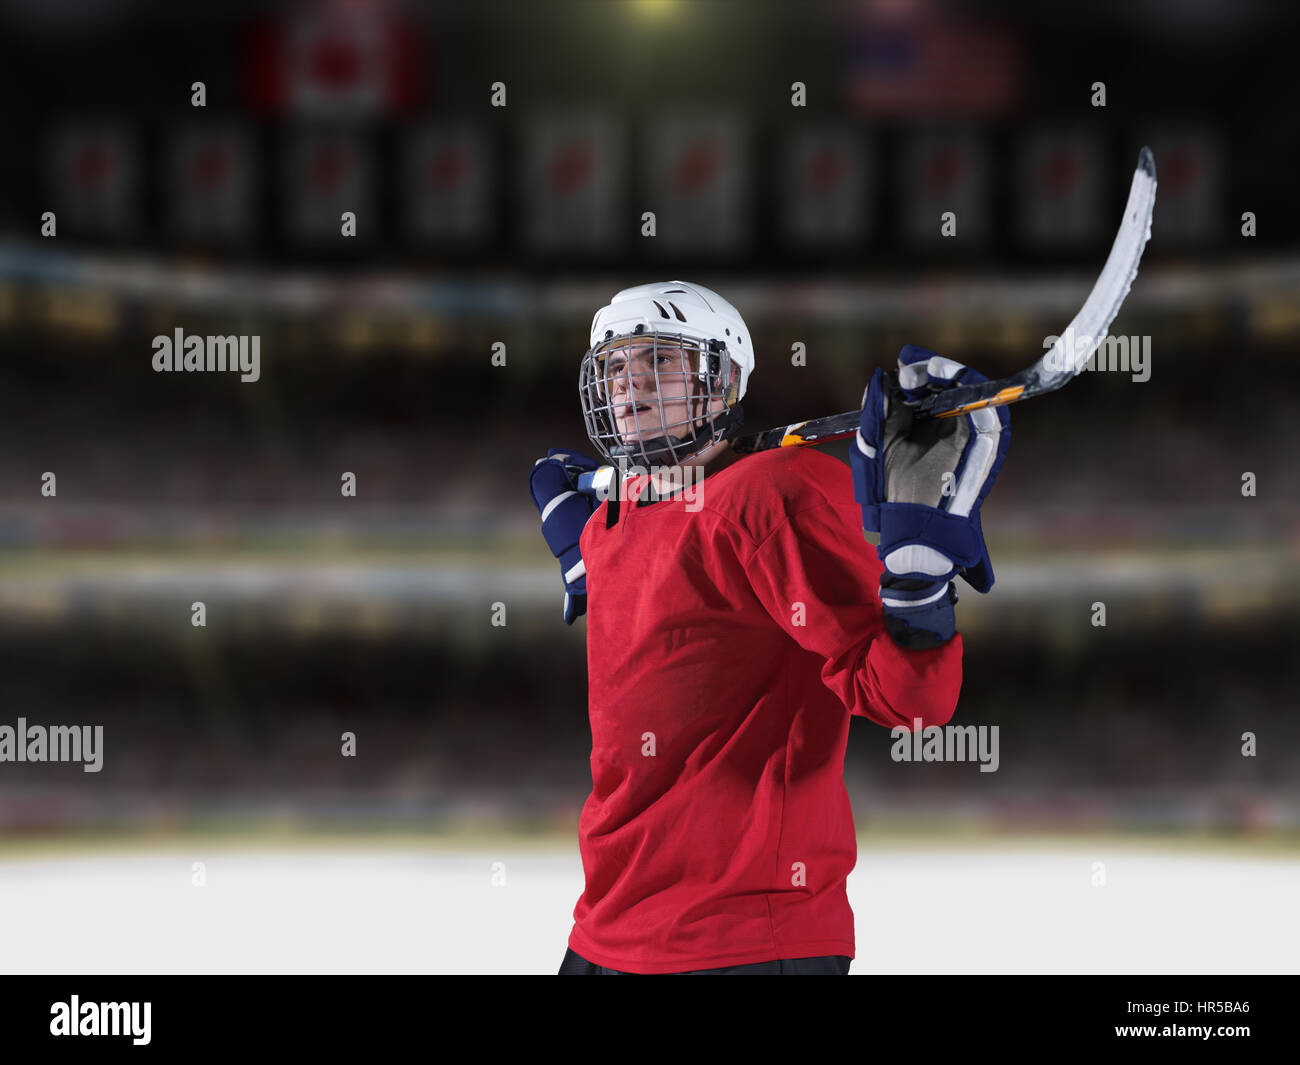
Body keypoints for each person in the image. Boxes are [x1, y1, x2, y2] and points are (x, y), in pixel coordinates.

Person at [529, 280, 1010, 975]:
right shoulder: (621, 510)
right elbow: (654, 579)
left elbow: (914, 701)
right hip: (605, 930)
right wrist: (574, 539)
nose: (629, 384)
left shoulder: (772, 494)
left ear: (721, 386)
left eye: (658, 361)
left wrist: (917, 579)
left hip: (743, 938)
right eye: (614, 367)